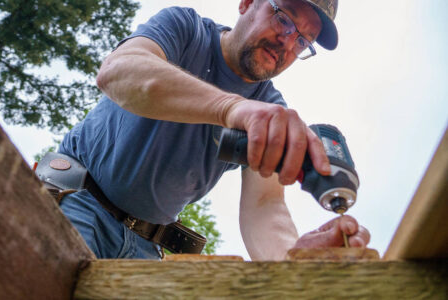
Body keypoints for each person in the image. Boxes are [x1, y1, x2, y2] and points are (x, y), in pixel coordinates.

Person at [57, 0, 370, 259]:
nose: (288, 41)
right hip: (79, 202)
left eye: (303, 40)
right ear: (247, 3)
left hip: (145, 248)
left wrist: (292, 260)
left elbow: (264, 207)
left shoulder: (271, 111)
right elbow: (117, 71)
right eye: (284, 18)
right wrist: (231, 108)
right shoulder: (185, 28)